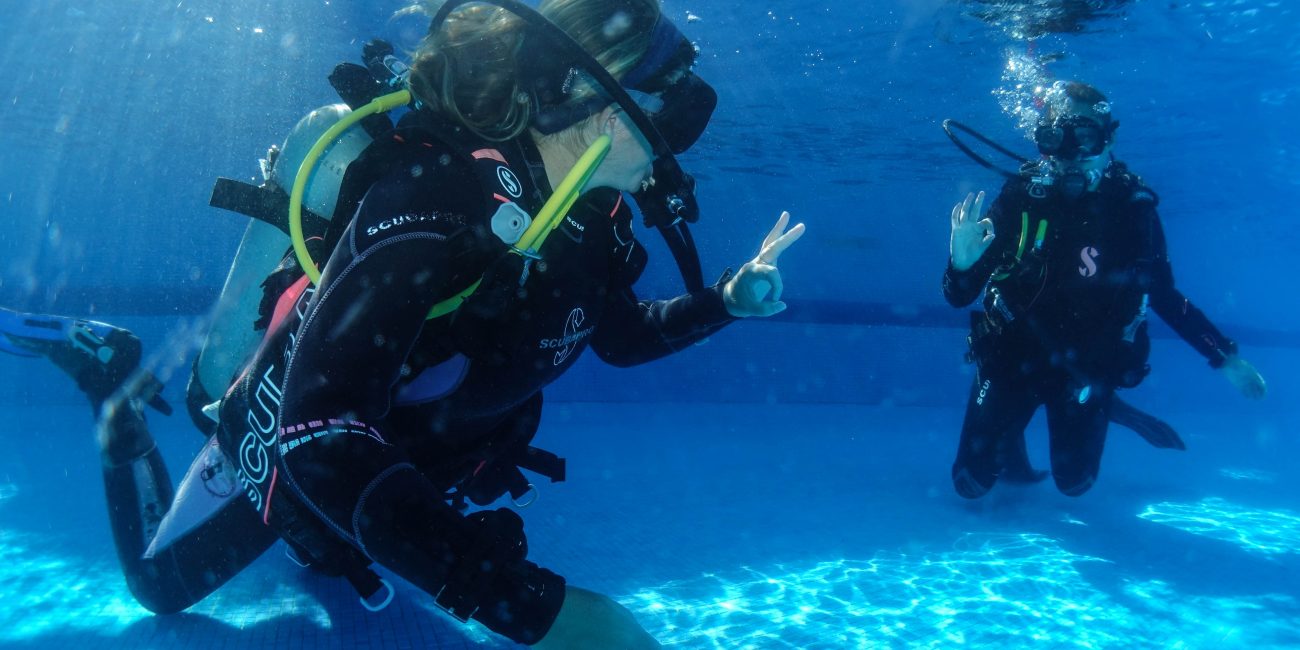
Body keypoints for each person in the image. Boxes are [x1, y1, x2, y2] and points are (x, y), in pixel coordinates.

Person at [10, 1, 806, 647]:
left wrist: (726, 300)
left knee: (329, 557)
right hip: (290, 438)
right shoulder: (437, 197)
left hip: (405, 462)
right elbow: (319, 430)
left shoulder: (597, 218)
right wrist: (529, 608)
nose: (675, 149)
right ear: (583, 99)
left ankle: (335, 537)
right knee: (158, 588)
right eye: (666, 113)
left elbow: (620, 337)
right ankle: (108, 373)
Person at [943, 80, 1266, 499]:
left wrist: (1223, 356)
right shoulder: (1022, 197)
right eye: (1056, 139)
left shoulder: (1131, 210)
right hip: (1012, 359)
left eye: (1085, 137)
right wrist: (961, 265)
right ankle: (1011, 429)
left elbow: (1163, 295)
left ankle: (1105, 406)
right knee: (969, 484)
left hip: (1086, 369)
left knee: (1075, 483)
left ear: (1109, 139)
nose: (1071, 154)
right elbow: (959, 295)